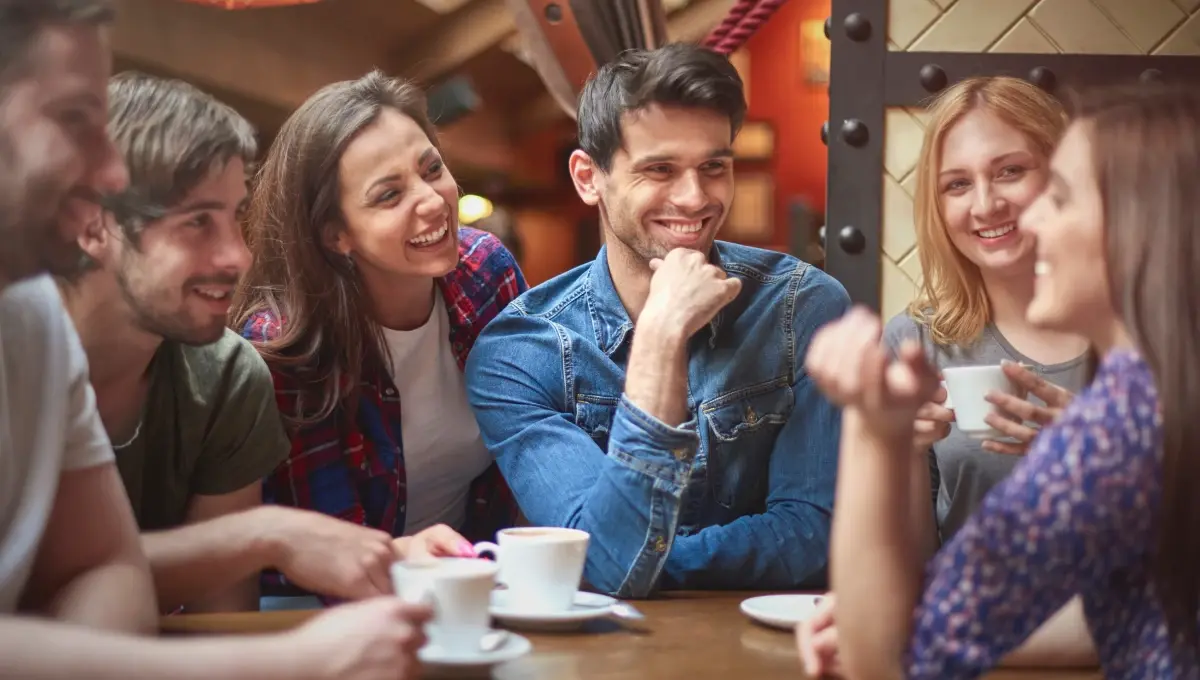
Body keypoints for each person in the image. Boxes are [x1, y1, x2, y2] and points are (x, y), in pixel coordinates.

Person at [0, 2, 429, 679]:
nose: (238, 257)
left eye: (235, 218)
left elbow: (99, 567)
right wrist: (288, 656)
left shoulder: (32, 325)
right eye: (74, 118)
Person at [803, 83, 1200, 679]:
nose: (1024, 216)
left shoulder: (1124, 422)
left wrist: (870, 430)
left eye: (1058, 196)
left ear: (1141, 228)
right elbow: (1118, 615)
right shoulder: (1149, 400)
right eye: (957, 184)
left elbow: (887, 660)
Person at [60, 71, 465, 613]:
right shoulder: (22, 360)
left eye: (235, 218)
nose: (240, 258)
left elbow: (220, 621)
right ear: (92, 226)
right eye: (197, 222)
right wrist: (267, 536)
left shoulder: (228, 376)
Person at [465, 43, 849, 598]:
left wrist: (649, 560)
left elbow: (814, 536)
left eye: (713, 167)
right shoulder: (521, 352)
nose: (694, 198)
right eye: (659, 169)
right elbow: (609, 568)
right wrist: (661, 335)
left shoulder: (803, 305)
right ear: (588, 177)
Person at [231, 70, 525, 580]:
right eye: (389, 195)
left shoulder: (487, 272)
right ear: (335, 235)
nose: (433, 201)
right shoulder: (284, 345)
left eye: (432, 169)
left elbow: (531, 440)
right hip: (315, 608)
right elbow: (331, 546)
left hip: (473, 587)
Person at [881, 77, 1089, 555]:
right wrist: (901, 453)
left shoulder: (1149, 332)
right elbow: (910, 566)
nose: (985, 205)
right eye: (957, 184)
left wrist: (1104, 455)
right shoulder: (914, 342)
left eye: (1010, 171)